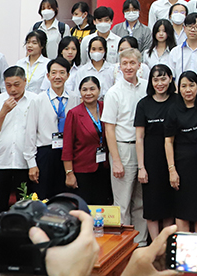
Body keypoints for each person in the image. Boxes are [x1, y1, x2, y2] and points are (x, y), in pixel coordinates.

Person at [101, 48, 147, 241]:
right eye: (125, 63)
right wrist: (117, 161)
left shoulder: (147, 87)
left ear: (139, 65)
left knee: (141, 201)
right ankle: (123, 245)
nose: (128, 67)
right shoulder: (114, 92)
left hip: (143, 148)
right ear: (119, 66)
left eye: (132, 63)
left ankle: (140, 242)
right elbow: (109, 129)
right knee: (122, 202)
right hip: (123, 147)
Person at [0, 66, 38, 217]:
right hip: (0, 163)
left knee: (26, 209)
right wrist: (4, 111)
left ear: (25, 81)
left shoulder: (35, 100)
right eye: (8, 85)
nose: (13, 89)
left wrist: (33, 163)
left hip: (25, 163)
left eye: (17, 84)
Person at [165, 71, 197, 233]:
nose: (188, 90)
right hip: (182, 164)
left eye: (191, 85)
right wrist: (172, 169)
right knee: (182, 208)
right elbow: (168, 141)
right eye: (184, 86)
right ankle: (183, 245)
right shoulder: (173, 109)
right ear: (178, 88)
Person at [135, 64, 176, 241]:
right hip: (151, 160)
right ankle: (155, 245)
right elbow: (139, 137)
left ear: (170, 79)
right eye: (156, 79)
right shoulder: (144, 104)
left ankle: (166, 243)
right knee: (152, 206)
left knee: (169, 205)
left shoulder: (177, 101)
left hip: (173, 158)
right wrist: (141, 167)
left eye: (163, 78)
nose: (160, 83)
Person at [62, 75, 113, 206]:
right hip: (82, 169)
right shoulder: (74, 113)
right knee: (84, 207)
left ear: (99, 90)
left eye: (92, 89)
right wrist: (69, 173)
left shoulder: (106, 108)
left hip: (104, 167)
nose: (88, 93)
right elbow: (67, 146)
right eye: (84, 90)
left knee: (103, 206)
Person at [31, 58, 78, 199]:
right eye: (54, 73)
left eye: (62, 73)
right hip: (46, 153)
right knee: (45, 197)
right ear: (48, 76)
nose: (58, 77)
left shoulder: (74, 98)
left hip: (69, 153)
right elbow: (30, 133)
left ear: (68, 75)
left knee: (67, 197)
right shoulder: (38, 100)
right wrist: (31, 163)